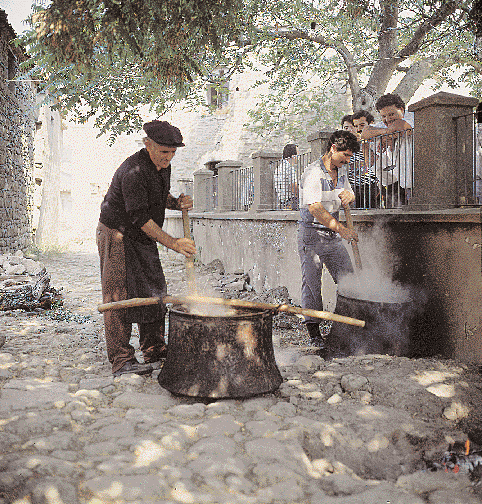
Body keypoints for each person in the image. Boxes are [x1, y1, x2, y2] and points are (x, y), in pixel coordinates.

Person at [96, 120, 196, 377]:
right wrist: (173, 243)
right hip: (117, 232)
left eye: (173, 153)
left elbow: (157, 195)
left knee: (155, 288)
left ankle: (154, 348)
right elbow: (139, 217)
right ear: (147, 144)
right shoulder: (134, 171)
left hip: (142, 234)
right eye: (164, 152)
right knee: (119, 294)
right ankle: (121, 359)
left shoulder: (162, 167)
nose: (168, 158)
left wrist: (175, 203)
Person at [298, 130, 360, 355]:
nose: (347, 160)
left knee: (349, 279)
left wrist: (349, 196)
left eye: (350, 157)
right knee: (312, 286)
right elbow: (315, 208)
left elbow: (348, 195)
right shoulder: (313, 172)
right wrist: (342, 229)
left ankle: (345, 327)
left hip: (332, 238)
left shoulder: (340, 173)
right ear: (333, 148)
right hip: (312, 236)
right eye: (345, 155)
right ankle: (314, 334)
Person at [360, 93, 414, 207]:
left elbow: (400, 126)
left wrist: (384, 135)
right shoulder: (385, 125)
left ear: (402, 110)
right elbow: (365, 133)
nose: (387, 119)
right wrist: (386, 134)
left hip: (418, 181)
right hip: (401, 181)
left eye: (391, 114)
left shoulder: (411, 117)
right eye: (383, 116)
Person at [350, 110, 379, 208]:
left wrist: (365, 143)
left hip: (372, 184)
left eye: (362, 125)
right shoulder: (358, 143)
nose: (358, 129)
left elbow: (371, 162)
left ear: (371, 124)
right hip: (356, 185)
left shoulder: (377, 139)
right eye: (356, 126)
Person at [274, 143, 299, 210]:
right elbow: (293, 186)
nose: (298, 157)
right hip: (290, 201)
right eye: (298, 154)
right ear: (293, 156)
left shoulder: (279, 167)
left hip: (282, 201)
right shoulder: (289, 168)